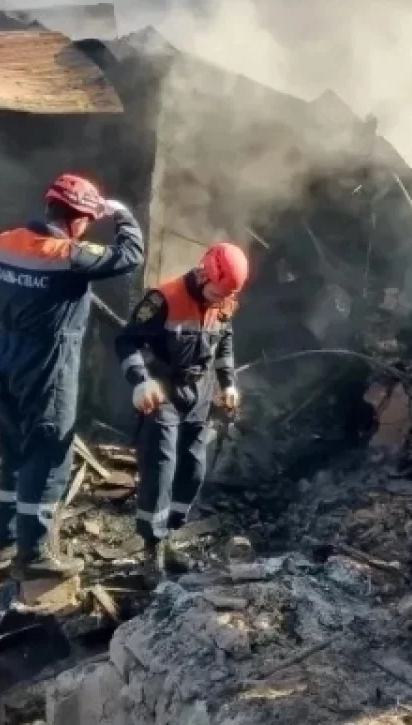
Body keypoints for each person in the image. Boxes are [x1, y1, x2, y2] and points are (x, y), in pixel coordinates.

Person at [0, 174, 143, 580]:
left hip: (5, 358)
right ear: (79, 218)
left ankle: (3, 544)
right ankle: (35, 555)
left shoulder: (0, 243)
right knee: (48, 456)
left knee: (14, 453)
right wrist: (123, 216)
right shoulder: (69, 255)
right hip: (47, 366)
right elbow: (131, 255)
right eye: (88, 219)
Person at [115, 242, 248, 584]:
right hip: (164, 391)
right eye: (219, 291)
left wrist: (228, 383)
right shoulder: (164, 298)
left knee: (193, 466)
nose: (222, 300)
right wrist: (140, 381)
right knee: (161, 467)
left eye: (228, 295)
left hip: (200, 393)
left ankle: (171, 534)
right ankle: (152, 549)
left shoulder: (224, 300)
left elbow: (226, 342)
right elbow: (127, 342)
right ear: (205, 273)